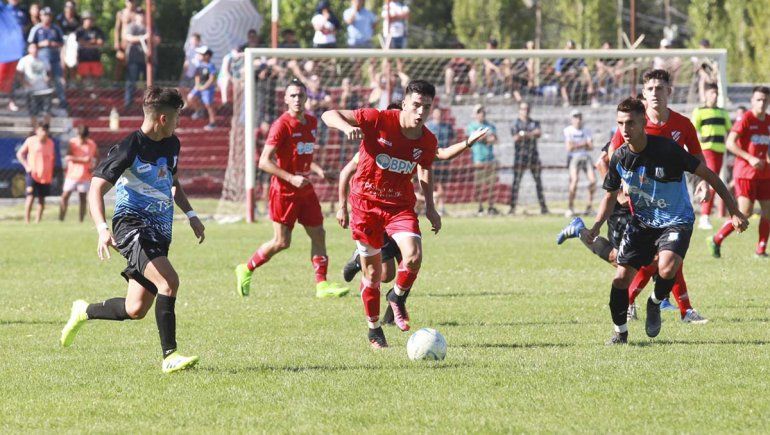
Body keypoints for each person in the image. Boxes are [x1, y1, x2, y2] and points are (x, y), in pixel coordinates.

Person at [59, 87, 204, 374]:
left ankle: (84, 311)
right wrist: (102, 229)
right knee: (169, 282)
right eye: (177, 117)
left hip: (159, 231)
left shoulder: (172, 144)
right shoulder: (129, 147)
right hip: (132, 226)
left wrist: (191, 214)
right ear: (162, 118)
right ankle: (170, 356)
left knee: (135, 309)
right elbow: (95, 188)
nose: (179, 122)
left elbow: (172, 182)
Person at [592, 98, 746, 345]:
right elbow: (610, 196)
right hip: (642, 223)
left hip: (677, 219)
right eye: (620, 123)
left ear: (643, 122)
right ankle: (620, 333)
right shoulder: (620, 157)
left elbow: (709, 175)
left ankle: (655, 302)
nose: (625, 129)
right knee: (620, 279)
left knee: (667, 267)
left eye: (630, 123)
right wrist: (596, 226)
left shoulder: (667, 150)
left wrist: (734, 210)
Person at [322, 80, 441, 349]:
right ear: (405, 103)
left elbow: (425, 168)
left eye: (427, 107)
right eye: (416, 105)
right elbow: (328, 114)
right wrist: (346, 127)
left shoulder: (427, 140)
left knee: (414, 256)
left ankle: (397, 297)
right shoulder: (378, 119)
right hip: (365, 205)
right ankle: (374, 329)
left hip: (399, 206)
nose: (421, 112)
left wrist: (431, 207)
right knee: (374, 275)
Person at [608, 69, 709, 322]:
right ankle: (675, 307)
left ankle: (647, 303)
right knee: (659, 258)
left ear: (669, 91)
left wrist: (702, 183)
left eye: (660, 88)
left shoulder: (682, 124)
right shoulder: (634, 122)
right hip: (643, 201)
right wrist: (622, 183)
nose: (655, 93)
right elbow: (613, 153)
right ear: (643, 93)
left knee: (666, 257)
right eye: (650, 89)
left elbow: (697, 157)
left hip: (673, 201)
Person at [235, 79, 349, 299]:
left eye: (300, 95)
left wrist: (320, 171)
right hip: (284, 191)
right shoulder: (281, 125)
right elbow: (264, 162)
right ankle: (246, 268)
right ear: (286, 99)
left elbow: (304, 155)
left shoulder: (311, 122)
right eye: (293, 95)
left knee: (319, 233)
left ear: (306, 98)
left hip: (305, 189)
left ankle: (322, 285)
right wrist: (291, 178)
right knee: (282, 242)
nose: (297, 99)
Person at [709, 86, 770, 258]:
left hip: (765, 174)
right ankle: (716, 239)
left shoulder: (768, 121)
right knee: (745, 213)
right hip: (745, 174)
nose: (762, 103)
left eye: (765, 100)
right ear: (752, 101)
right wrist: (750, 158)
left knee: (768, 211)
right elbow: (730, 143)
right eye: (758, 99)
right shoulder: (746, 119)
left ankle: (761, 249)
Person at [692, 83, 731, 229]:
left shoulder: (723, 112)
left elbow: (730, 130)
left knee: (713, 181)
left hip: (720, 151)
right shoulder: (699, 111)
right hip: (707, 150)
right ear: (706, 95)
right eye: (712, 93)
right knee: (712, 181)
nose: (714, 96)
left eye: (716, 93)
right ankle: (704, 216)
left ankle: (705, 215)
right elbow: (692, 131)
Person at [509, 101, 548, 215]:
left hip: (533, 156)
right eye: (523, 109)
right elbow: (516, 138)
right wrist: (530, 134)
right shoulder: (515, 123)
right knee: (516, 183)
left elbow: (538, 133)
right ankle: (512, 208)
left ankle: (543, 207)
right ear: (519, 110)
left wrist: (524, 134)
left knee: (538, 182)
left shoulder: (534, 122)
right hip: (520, 156)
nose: (525, 111)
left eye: (526, 109)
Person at [27, 7, 67, 109]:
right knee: (42, 80)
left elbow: (62, 43)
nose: (47, 17)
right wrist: (41, 44)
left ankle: (62, 101)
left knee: (58, 80)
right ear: (40, 16)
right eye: (45, 15)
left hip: (55, 58)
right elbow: (31, 45)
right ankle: (41, 103)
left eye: (49, 15)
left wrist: (53, 44)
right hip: (41, 60)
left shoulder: (56, 28)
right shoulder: (36, 29)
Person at [16, 123, 55, 224]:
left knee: (42, 198)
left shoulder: (50, 142)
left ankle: (37, 221)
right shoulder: (30, 141)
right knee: (30, 196)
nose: (44, 133)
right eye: (42, 130)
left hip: (45, 175)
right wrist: (27, 166)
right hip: (32, 174)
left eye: (46, 130)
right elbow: (19, 154)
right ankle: (27, 221)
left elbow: (51, 158)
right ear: (37, 131)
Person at [60, 125, 97, 222]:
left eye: (84, 138)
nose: (82, 140)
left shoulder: (92, 144)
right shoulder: (72, 143)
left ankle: (81, 220)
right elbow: (67, 157)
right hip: (72, 174)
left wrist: (94, 167)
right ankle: (61, 219)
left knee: (83, 198)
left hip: (85, 175)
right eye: (80, 137)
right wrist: (83, 160)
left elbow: (97, 157)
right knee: (65, 196)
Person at [467, 104, 499, 215]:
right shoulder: (471, 126)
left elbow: (495, 139)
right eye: (479, 112)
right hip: (478, 159)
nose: (482, 114)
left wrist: (484, 138)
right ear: (475, 114)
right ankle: (480, 208)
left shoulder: (490, 125)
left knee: (491, 185)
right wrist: (486, 138)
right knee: (479, 186)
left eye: (483, 112)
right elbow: (476, 138)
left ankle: (491, 207)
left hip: (490, 159)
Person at [564, 109, 595, 216]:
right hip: (574, 158)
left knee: (593, 181)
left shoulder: (587, 130)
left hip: (585, 157)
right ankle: (570, 207)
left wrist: (576, 145)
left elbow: (591, 147)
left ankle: (589, 207)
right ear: (572, 119)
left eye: (579, 117)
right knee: (574, 181)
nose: (578, 119)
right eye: (575, 117)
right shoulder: (568, 130)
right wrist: (584, 144)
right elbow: (569, 148)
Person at [16, 43, 53, 129]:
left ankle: (46, 129)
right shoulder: (24, 60)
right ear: (28, 49)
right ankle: (35, 130)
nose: (35, 50)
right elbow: (19, 73)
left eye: (36, 48)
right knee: (33, 112)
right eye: (32, 48)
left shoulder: (44, 59)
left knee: (47, 111)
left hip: (44, 89)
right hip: (31, 91)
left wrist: (48, 78)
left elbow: (49, 71)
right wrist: (24, 83)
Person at [425, 107, 455, 215]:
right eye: (436, 113)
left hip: (444, 160)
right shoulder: (428, 125)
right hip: (431, 158)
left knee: (441, 183)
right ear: (433, 114)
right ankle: (428, 205)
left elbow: (453, 140)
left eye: (439, 113)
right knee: (428, 182)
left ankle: (441, 206)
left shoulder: (448, 127)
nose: (438, 115)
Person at [186, 46, 217, 131]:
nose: (199, 55)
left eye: (201, 54)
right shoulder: (199, 65)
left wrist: (204, 87)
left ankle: (213, 122)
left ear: (207, 56)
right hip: (199, 86)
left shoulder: (211, 66)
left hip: (208, 88)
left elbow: (212, 79)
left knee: (208, 105)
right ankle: (200, 111)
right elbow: (197, 76)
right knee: (190, 97)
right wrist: (198, 85)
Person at [75, 11, 105, 85]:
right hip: (83, 58)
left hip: (96, 58)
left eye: (91, 19)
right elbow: (79, 42)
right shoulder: (79, 31)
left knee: (97, 78)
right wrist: (92, 42)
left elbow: (101, 42)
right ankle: (84, 91)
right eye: (87, 19)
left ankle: (96, 91)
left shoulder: (97, 30)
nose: (90, 21)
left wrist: (87, 43)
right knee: (84, 78)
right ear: (83, 20)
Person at [113, 0, 137, 82]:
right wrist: (116, 41)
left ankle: (135, 84)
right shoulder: (121, 13)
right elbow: (117, 28)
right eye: (129, 1)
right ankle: (116, 83)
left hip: (135, 43)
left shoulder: (139, 13)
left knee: (135, 64)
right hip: (124, 43)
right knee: (119, 62)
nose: (131, 3)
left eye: (132, 1)